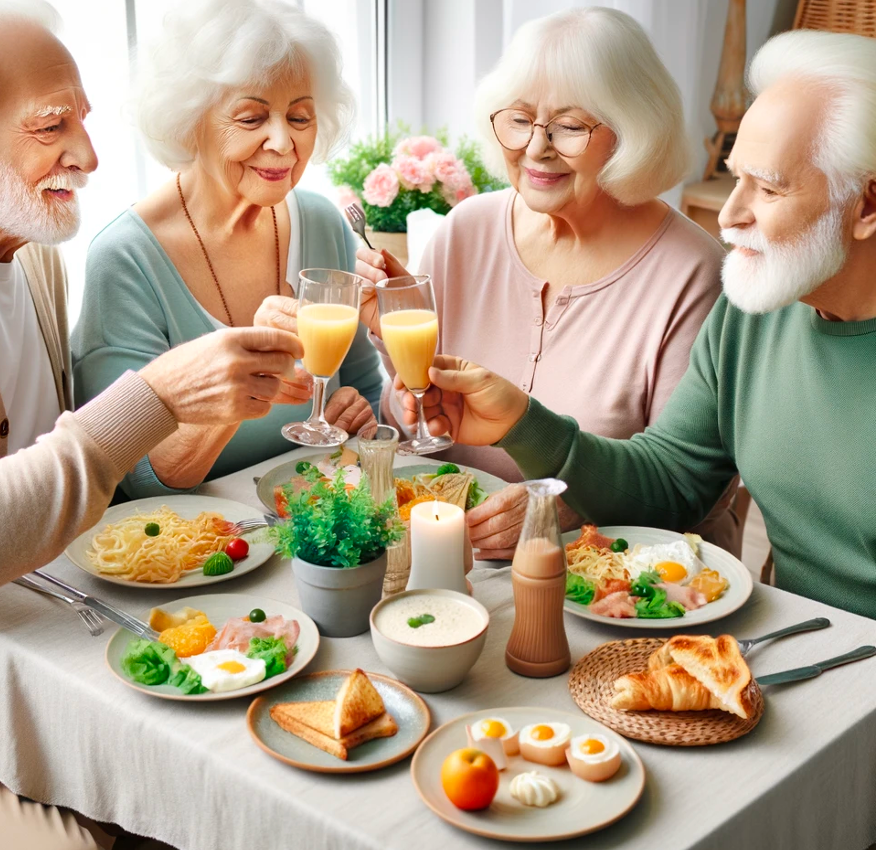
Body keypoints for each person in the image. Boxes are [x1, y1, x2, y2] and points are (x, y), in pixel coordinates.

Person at [0, 1, 302, 845]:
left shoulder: (32, 258)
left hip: (61, 643)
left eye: (86, 121)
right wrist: (158, 396)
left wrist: (212, 409)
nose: (90, 155)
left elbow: (60, 475)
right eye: (50, 125)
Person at [396, 30, 876, 619]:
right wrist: (522, 422)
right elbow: (672, 477)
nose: (729, 215)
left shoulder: (718, 280)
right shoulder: (756, 309)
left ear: (868, 205)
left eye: (768, 188)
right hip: (801, 640)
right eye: (736, 178)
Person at [256, 7, 740, 559]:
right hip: (454, 562)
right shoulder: (466, 228)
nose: (536, 147)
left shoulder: (694, 272)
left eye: (570, 125)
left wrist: (557, 509)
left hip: (620, 584)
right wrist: (401, 364)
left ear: (633, 132)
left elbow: (683, 490)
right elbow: (415, 424)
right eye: (519, 119)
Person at [72, 0, 382, 498]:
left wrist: (356, 414)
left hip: (308, 529)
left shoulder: (323, 222)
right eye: (252, 117)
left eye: (299, 117)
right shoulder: (125, 258)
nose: (282, 141)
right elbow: (136, 478)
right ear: (190, 120)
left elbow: (367, 388)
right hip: (203, 555)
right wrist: (244, 373)